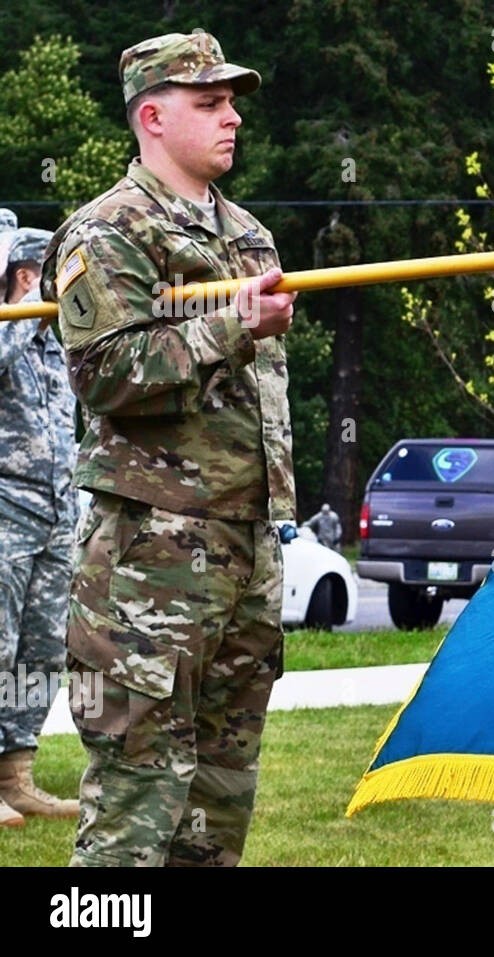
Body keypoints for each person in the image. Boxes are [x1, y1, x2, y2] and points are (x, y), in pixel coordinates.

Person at [41, 30, 296, 866]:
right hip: (152, 554)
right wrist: (231, 325)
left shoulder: (249, 234)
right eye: (209, 103)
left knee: (218, 803)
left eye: (232, 104)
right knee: (136, 801)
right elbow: (106, 373)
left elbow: (262, 401)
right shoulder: (105, 232)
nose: (231, 120)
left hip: (245, 546)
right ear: (152, 116)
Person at [0, 223, 80, 827]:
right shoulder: (9, 331)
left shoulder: (57, 345)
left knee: (43, 651)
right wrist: (21, 310)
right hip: (6, 513)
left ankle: (16, 776)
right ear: (28, 275)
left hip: (56, 516)